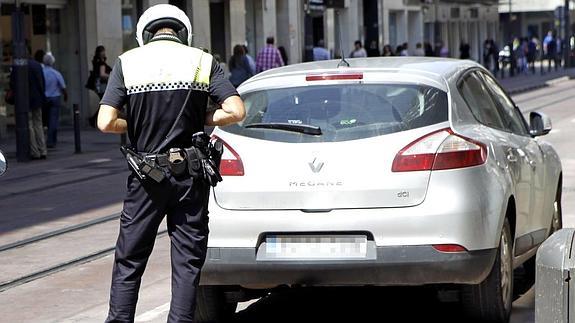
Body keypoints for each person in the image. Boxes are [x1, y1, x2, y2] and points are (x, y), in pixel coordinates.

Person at [96, 4, 245, 322]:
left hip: (146, 177)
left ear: (144, 34)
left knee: (130, 258)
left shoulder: (127, 63)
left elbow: (105, 121)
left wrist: (132, 125)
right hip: (191, 176)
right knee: (187, 260)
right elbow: (236, 111)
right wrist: (205, 117)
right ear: (182, 32)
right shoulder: (203, 62)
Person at [10, 50, 47, 160]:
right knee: (38, 124)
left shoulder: (17, 65)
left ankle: (35, 151)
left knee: (29, 125)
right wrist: (42, 96)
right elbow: (42, 83)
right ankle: (43, 150)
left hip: (24, 100)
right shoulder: (36, 65)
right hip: (37, 99)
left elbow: (13, 83)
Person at [42, 53, 67, 148]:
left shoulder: (41, 72)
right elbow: (63, 87)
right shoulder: (56, 73)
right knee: (53, 120)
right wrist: (65, 96)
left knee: (45, 120)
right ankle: (51, 140)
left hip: (44, 98)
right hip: (55, 98)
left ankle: (47, 139)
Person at [88, 45, 112, 127]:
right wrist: (111, 76)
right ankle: (94, 120)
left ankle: (94, 120)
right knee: (105, 104)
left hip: (99, 86)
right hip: (102, 86)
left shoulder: (97, 62)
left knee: (104, 104)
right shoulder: (101, 63)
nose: (104, 53)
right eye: (102, 51)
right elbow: (102, 74)